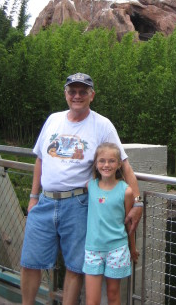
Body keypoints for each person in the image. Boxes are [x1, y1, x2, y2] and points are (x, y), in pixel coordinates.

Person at [20, 73, 143, 305]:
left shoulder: (102, 124)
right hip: (44, 202)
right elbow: (39, 161)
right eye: (72, 91)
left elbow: (124, 165)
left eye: (82, 91)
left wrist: (137, 201)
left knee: (75, 267)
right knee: (29, 262)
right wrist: (33, 197)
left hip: (78, 204)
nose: (77, 96)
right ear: (66, 94)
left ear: (91, 95)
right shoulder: (53, 120)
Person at [83, 142, 139, 305]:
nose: (106, 165)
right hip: (93, 249)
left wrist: (132, 248)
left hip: (117, 249)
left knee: (113, 296)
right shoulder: (90, 186)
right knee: (92, 300)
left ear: (119, 164)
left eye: (111, 161)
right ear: (95, 163)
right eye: (102, 161)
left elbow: (130, 224)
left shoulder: (126, 191)